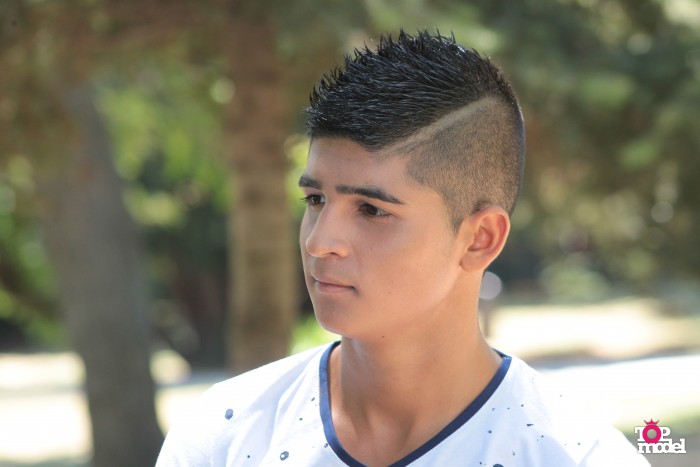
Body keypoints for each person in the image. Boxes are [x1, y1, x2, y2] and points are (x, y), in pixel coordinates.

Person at [156, 30, 649, 466]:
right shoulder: (224, 437)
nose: (319, 241)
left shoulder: (575, 456)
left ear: (480, 239)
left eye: (372, 210)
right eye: (315, 199)